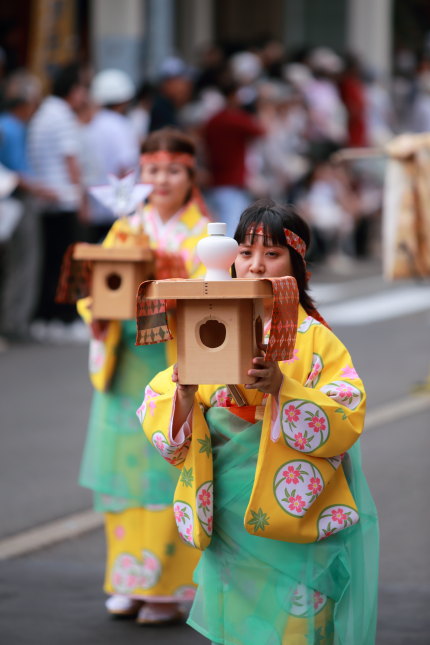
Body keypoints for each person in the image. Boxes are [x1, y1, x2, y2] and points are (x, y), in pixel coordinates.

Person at [139, 199, 379, 644]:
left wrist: (282, 389)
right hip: (227, 500)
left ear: (296, 263)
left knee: (296, 623)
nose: (255, 266)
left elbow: (346, 409)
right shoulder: (208, 321)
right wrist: (185, 393)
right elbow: (159, 397)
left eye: (272, 254)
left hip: (291, 505)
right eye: (245, 254)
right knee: (238, 622)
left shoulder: (316, 339)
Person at [78, 128, 209, 624]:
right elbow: (96, 286)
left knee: (168, 469)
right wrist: (97, 310)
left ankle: (169, 587)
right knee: (123, 478)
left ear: (190, 175)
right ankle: (126, 579)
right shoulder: (124, 226)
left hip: (174, 366)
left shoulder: (204, 235)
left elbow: (215, 292)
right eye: (152, 170)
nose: (161, 179)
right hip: (128, 363)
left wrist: (169, 276)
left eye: (173, 170)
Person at [27, 62, 88, 334]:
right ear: (73, 90)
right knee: (67, 264)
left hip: (45, 198)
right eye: (83, 88)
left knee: (50, 261)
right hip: (63, 197)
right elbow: (70, 160)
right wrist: (81, 197)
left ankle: (46, 317)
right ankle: (65, 319)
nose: (85, 95)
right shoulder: (62, 114)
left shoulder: (43, 113)